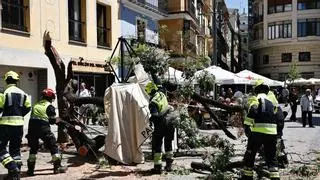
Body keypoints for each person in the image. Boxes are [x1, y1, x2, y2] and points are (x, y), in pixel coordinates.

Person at [242, 80, 280, 180]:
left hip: (257, 133)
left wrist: (246, 125)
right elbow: (277, 115)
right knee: (271, 157)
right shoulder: (271, 101)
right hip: (272, 133)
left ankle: (247, 176)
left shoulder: (255, 99)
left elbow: (254, 110)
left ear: (256, 90)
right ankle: (275, 177)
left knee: (250, 154)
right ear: (267, 90)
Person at [26, 88, 67, 176]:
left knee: (33, 148)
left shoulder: (36, 105)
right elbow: (52, 120)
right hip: (43, 128)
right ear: (50, 97)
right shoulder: (49, 106)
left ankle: (30, 170)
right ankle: (57, 167)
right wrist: (59, 121)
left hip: (31, 129)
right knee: (53, 145)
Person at [0, 71, 31, 180]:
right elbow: (28, 107)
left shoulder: (4, 93)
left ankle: (12, 168)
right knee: (15, 150)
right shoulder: (23, 93)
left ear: (6, 80)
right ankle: (15, 176)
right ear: (17, 81)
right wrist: (19, 114)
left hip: (5, 125)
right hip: (19, 125)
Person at [145, 81, 175, 174]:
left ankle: (158, 167)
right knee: (168, 143)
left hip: (161, 124)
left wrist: (150, 119)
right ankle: (169, 166)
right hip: (171, 122)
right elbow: (159, 83)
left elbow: (156, 117)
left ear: (149, 92)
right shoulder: (161, 92)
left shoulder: (153, 103)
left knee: (157, 145)